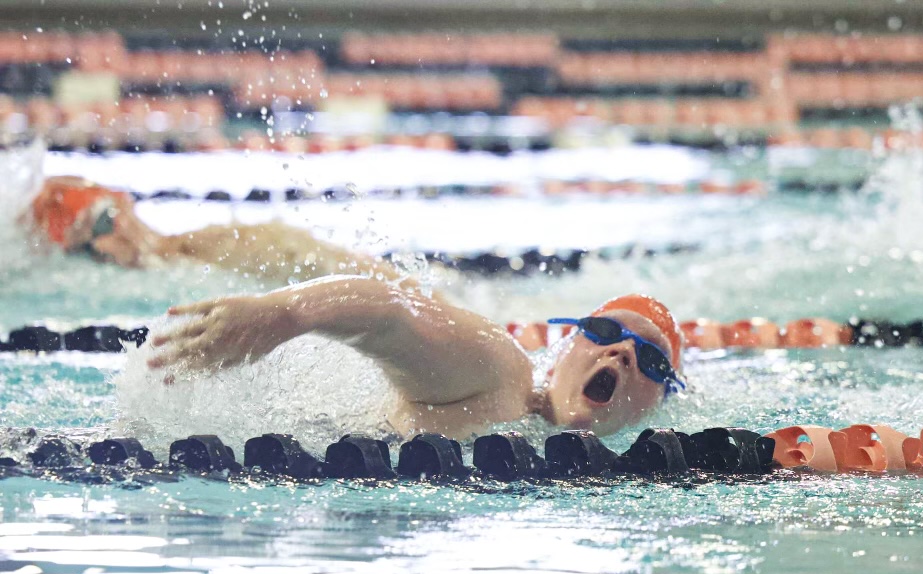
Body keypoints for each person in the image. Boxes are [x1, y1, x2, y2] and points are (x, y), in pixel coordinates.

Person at [146, 276, 685, 439]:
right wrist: (285, 314)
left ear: (659, 404)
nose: (620, 350)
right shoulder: (503, 376)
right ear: (563, 346)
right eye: (604, 330)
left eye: (653, 361)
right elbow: (398, 314)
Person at [27, 176, 403, 283]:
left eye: (107, 221)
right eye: (87, 250)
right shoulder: (175, 267)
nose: (107, 247)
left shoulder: (214, 249)